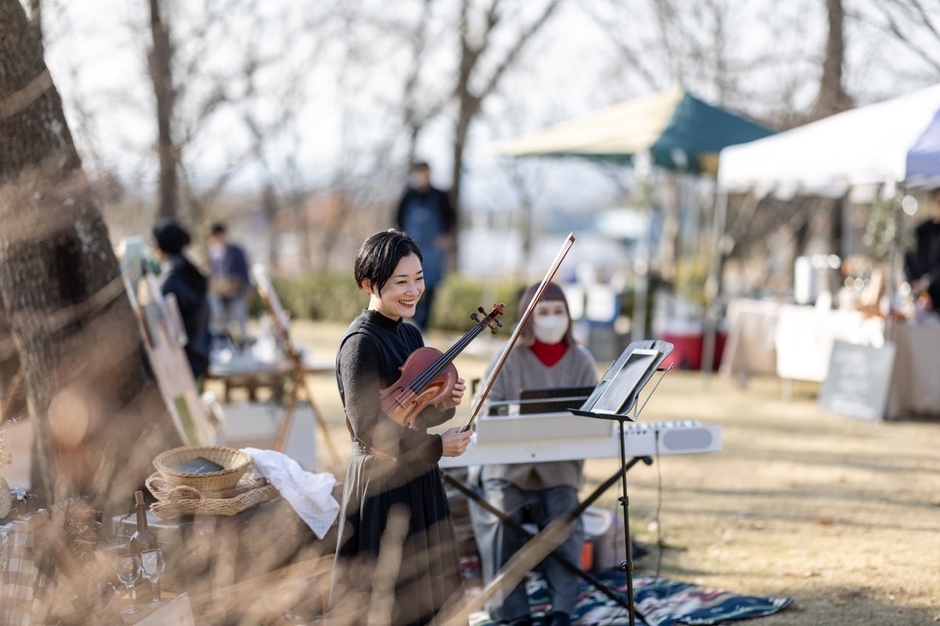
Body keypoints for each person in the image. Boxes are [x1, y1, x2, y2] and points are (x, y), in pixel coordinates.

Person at [330, 229, 473, 626]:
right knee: (387, 600)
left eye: (419, 279)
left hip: (419, 479)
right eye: (401, 282)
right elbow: (369, 427)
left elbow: (416, 416)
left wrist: (444, 403)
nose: (414, 291)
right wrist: (437, 447)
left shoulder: (410, 333)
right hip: (380, 486)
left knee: (431, 598)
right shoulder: (359, 344)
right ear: (369, 284)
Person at [469, 282, 598, 626]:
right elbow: (481, 409)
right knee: (500, 515)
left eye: (559, 312)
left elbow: (593, 416)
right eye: (543, 312)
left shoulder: (582, 360)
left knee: (564, 520)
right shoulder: (508, 355)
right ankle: (514, 614)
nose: (552, 319)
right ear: (528, 318)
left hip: (559, 467)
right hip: (506, 466)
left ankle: (561, 610)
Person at [395, 161, 457, 333]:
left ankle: (423, 325)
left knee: (429, 286)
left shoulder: (440, 195)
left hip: (433, 250)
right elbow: (398, 218)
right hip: (410, 247)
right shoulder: (409, 195)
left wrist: (444, 237)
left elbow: (451, 219)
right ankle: (409, 321)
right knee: (408, 283)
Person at [151, 219, 211, 380]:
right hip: (200, 352)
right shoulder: (190, 271)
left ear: (157, 246)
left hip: (184, 359)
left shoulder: (170, 280)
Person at [206, 222, 252, 347]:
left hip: (237, 291)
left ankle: (242, 342)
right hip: (220, 292)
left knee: (238, 318)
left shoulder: (236, 250)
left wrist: (247, 290)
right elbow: (213, 271)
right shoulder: (213, 252)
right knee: (217, 316)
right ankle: (222, 340)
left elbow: (245, 271)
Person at [904, 188, 940, 317]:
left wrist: (928, 281)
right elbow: (908, 259)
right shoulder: (920, 232)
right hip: (920, 301)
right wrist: (918, 286)